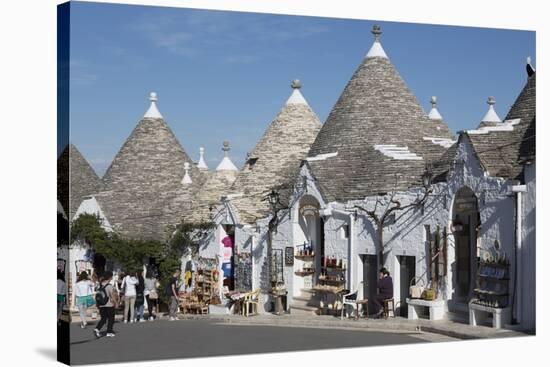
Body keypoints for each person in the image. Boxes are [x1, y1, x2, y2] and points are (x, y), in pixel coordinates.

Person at [94, 271, 118, 338]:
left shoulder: (100, 285)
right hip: (109, 305)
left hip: (101, 304)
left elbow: (97, 295)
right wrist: (116, 303)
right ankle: (109, 332)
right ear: (110, 277)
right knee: (111, 318)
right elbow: (112, 295)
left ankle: (97, 329)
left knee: (103, 318)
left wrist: (97, 304)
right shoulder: (109, 286)